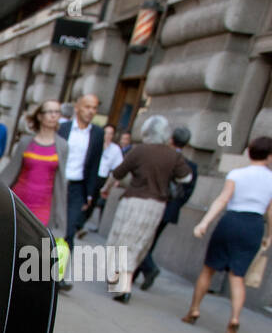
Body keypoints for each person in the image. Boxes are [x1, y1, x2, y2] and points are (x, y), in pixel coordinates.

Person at [181, 135, 272, 333]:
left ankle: (194, 309)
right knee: (238, 275)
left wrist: (204, 222)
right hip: (254, 225)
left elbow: (223, 199)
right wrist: (270, 235)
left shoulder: (237, 174)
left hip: (231, 221)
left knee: (208, 269)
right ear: (270, 157)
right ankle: (234, 317)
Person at [100, 115, 193, 302]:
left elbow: (118, 173)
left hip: (134, 202)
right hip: (156, 206)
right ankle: (122, 284)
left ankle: (120, 285)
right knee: (138, 245)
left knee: (121, 241)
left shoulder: (139, 150)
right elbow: (186, 178)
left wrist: (106, 189)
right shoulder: (173, 155)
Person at [0, 101, 69, 281]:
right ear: (40, 116)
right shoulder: (26, 142)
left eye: (57, 112)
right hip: (21, 201)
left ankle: (23, 285)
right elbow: (11, 171)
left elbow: (61, 182)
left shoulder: (62, 146)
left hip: (44, 205)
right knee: (12, 243)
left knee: (35, 248)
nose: (53, 115)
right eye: (49, 111)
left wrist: (61, 219)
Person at [137, 127, 196, 289]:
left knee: (141, 239)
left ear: (170, 139)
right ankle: (137, 271)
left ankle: (148, 268)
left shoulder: (167, 158)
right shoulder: (189, 164)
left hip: (154, 204)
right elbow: (187, 192)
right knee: (149, 240)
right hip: (167, 209)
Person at [57, 93, 104, 257]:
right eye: (87, 107)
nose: (91, 111)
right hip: (57, 184)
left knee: (68, 231)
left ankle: (58, 276)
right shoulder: (62, 128)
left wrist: (90, 194)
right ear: (77, 108)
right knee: (50, 227)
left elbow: (94, 165)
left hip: (77, 188)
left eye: (94, 108)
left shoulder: (98, 134)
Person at [79, 125, 123, 236]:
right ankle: (76, 222)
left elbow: (118, 167)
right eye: (106, 132)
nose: (108, 135)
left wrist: (114, 181)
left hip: (102, 178)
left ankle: (80, 224)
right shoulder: (93, 143)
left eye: (110, 133)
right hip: (88, 175)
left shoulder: (115, 149)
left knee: (92, 203)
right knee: (83, 199)